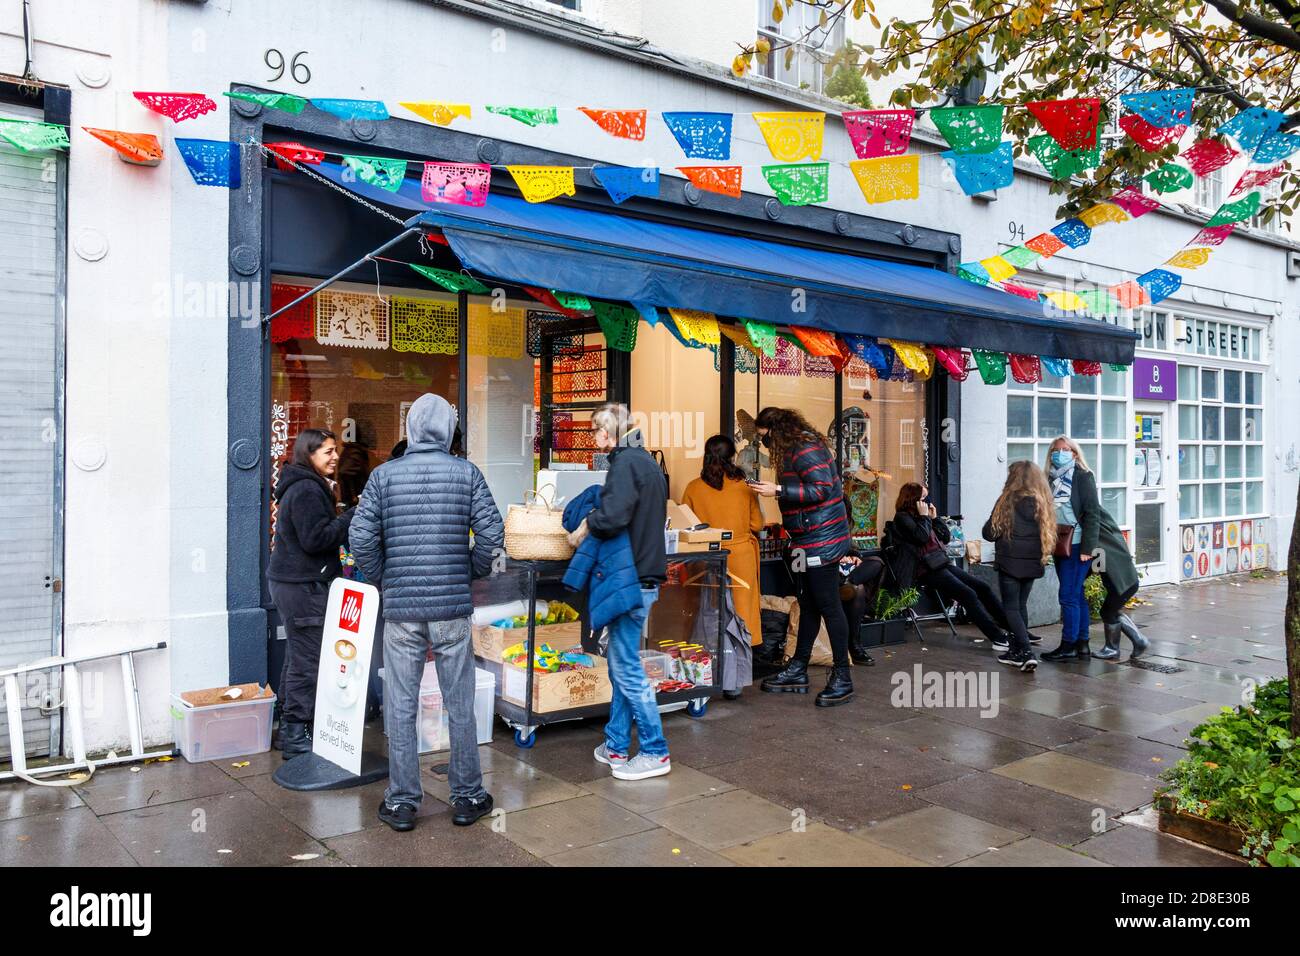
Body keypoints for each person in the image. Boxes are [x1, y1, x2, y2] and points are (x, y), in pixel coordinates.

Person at [349, 393, 504, 832]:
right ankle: (468, 795)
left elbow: (360, 540)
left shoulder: (383, 476)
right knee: (460, 702)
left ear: (412, 428)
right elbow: (493, 535)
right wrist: (466, 571)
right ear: (448, 430)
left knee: (400, 704)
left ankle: (401, 803)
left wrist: (386, 578)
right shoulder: (466, 473)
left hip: (401, 610)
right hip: (452, 607)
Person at [567, 403, 672, 780]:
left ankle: (655, 750)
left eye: (596, 432)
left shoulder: (625, 465)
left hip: (632, 580)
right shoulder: (645, 463)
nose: (594, 439)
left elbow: (612, 517)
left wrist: (584, 526)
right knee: (621, 664)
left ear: (609, 433)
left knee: (626, 669)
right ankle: (614, 743)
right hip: (644, 579)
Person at [749, 407, 855, 706]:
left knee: (829, 606)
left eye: (765, 437)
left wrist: (779, 489)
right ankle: (798, 668)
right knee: (807, 604)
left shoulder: (806, 447)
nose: (765, 444)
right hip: (807, 538)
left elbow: (821, 489)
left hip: (822, 540)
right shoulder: (797, 448)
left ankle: (842, 677)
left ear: (777, 430)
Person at [267, 428, 355, 759]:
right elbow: (316, 539)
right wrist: (349, 516)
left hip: (293, 583)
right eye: (327, 451)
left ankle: (290, 727)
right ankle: (294, 734)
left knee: (298, 654)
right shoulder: (306, 489)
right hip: (303, 586)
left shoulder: (301, 484)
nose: (335, 457)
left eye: (335, 450)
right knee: (309, 659)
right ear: (310, 454)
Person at [890, 482, 1012, 647]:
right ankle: (997, 637)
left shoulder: (923, 516)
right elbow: (921, 537)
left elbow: (945, 537)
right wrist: (925, 518)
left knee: (982, 587)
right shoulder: (902, 518)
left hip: (940, 562)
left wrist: (935, 519)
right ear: (913, 499)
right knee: (967, 594)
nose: (927, 502)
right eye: (923, 498)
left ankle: (1013, 629)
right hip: (925, 569)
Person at [681, 435, 764, 650]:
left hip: (708, 556)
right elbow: (758, 524)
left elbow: (687, 526)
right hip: (741, 555)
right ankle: (741, 655)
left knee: (710, 608)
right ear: (732, 457)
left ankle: (711, 655)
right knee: (742, 608)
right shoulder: (745, 486)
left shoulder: (693, 488)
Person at [981, 462, 1054, 671]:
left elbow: (990, 533)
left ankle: (1025, 652)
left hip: (1010, 561)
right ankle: (1016, 651)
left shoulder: (1007, 500)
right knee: (1021, 605)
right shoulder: (1042, 502)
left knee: (1011, 608)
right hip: (1032, 562)